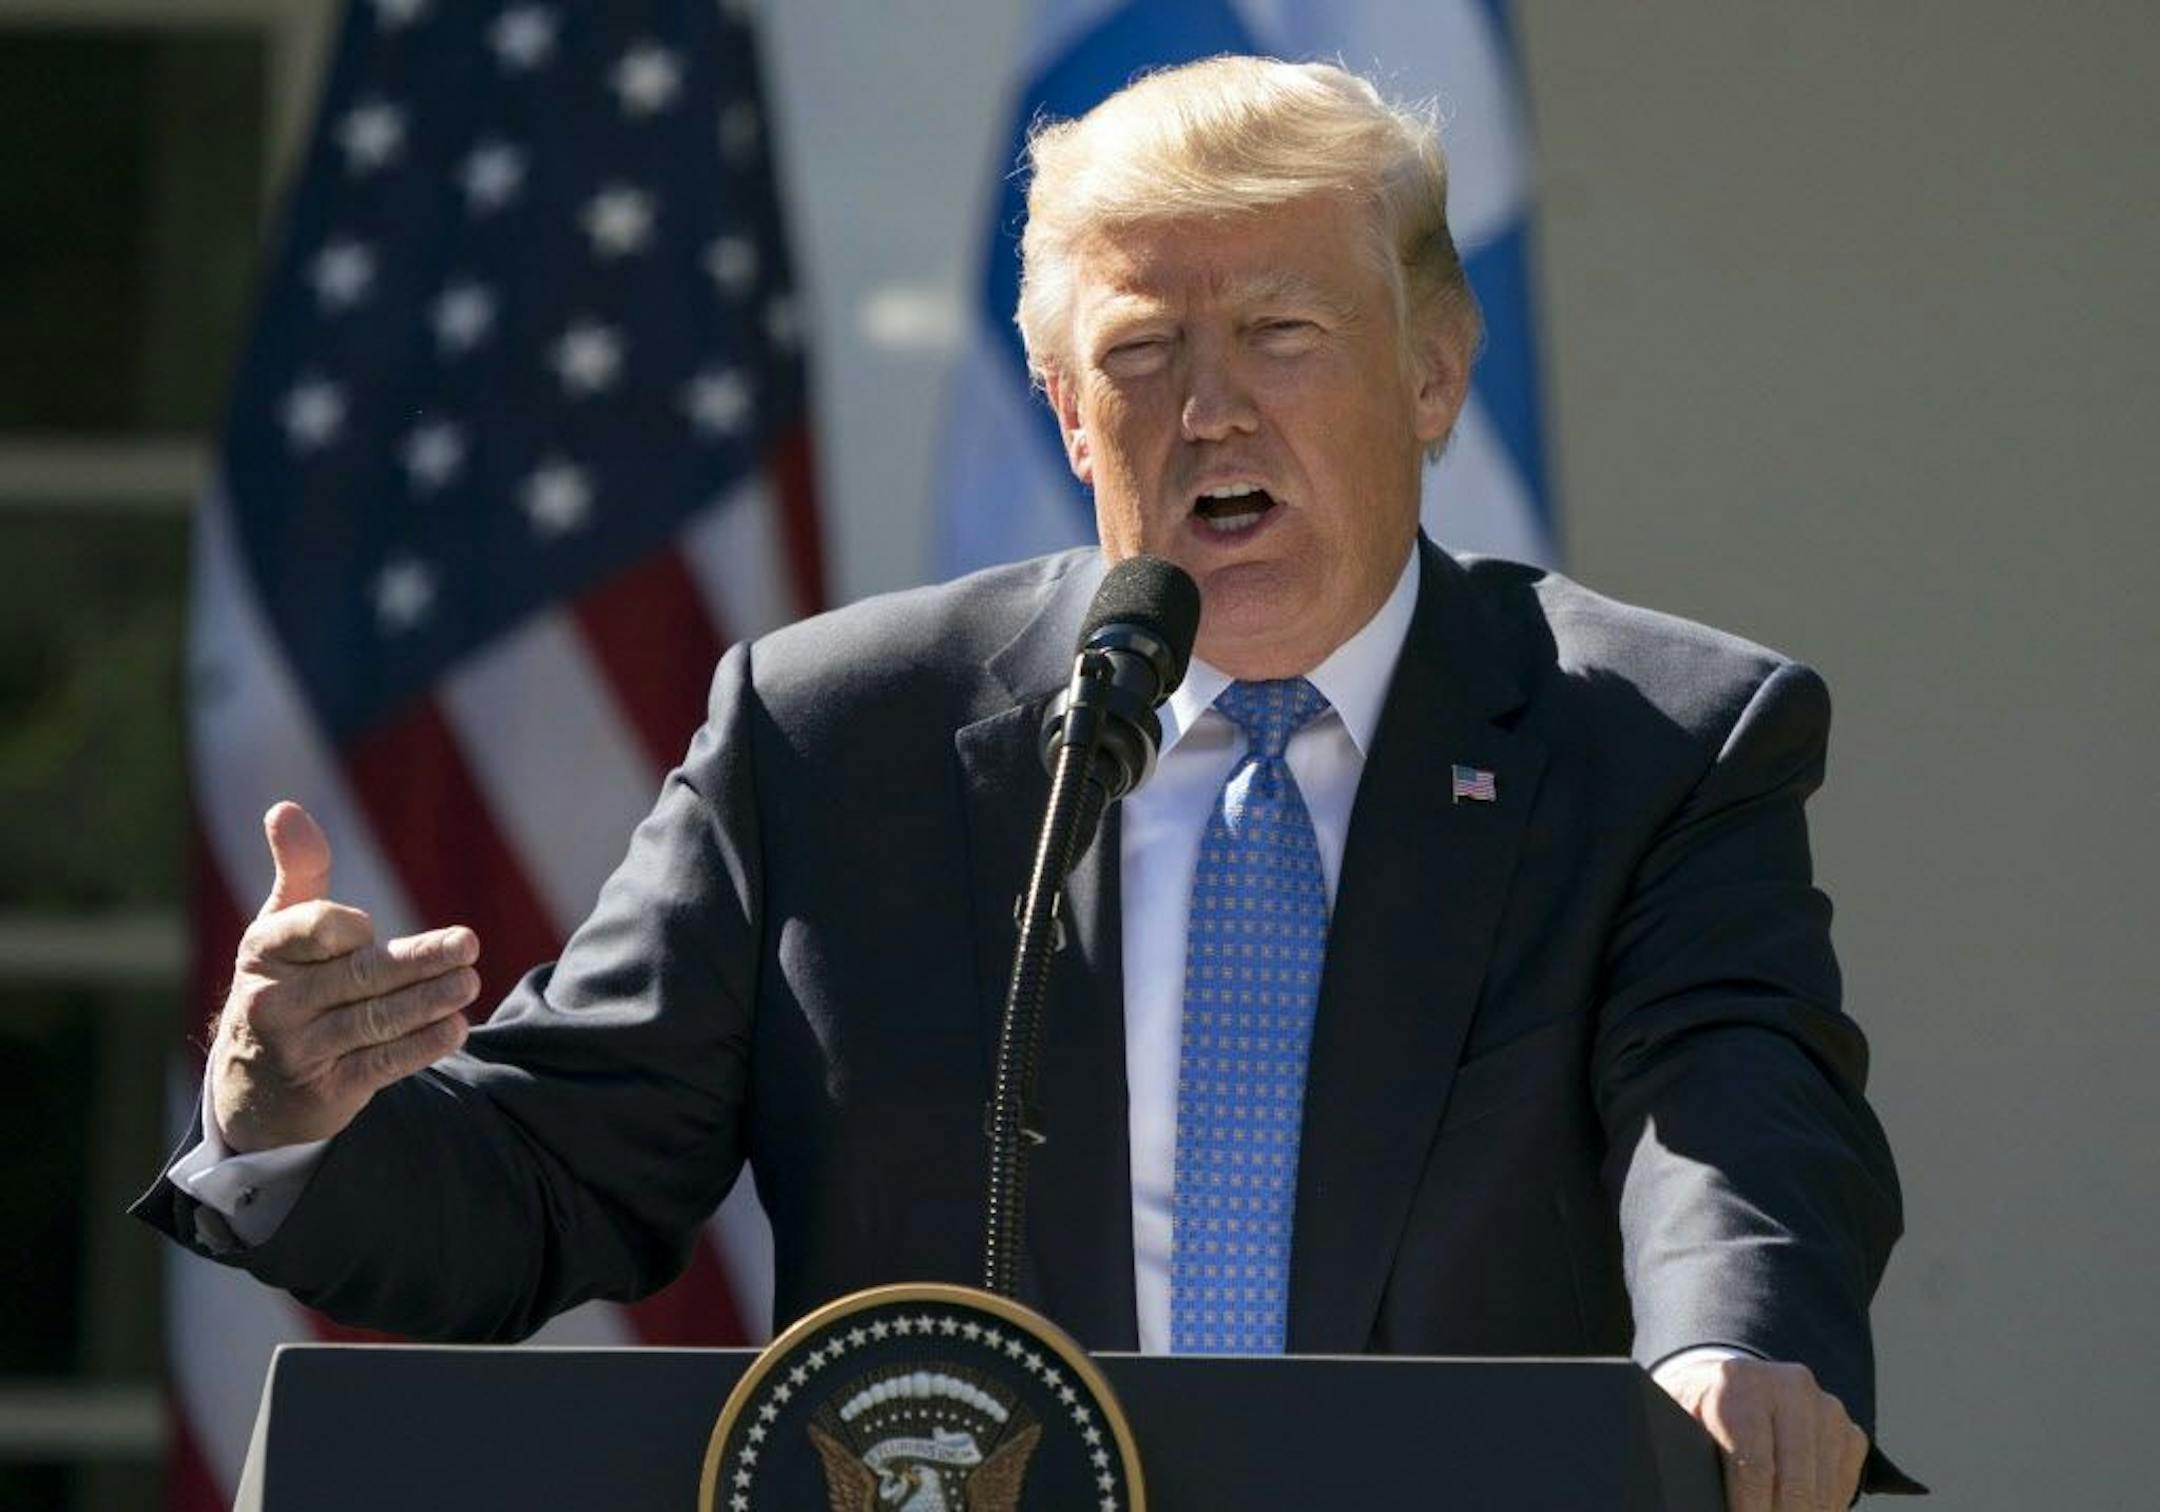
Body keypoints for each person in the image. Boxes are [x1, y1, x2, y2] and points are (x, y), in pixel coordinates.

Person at [140, 56, 1911, 1507]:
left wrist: (1729, 1347)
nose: (1210, 410)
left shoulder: (1658, 737)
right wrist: (296, 1116)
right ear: (1068, 415)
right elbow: (558, 1164)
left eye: (1284, 334)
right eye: (1143, 356)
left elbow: (1735, 1115)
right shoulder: (844, 734)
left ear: (1431, 377)